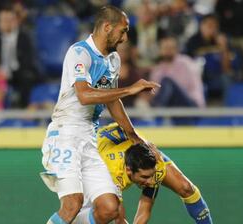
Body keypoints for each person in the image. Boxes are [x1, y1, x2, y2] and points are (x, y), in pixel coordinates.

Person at [40, 5, 160, 224]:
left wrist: (134, 136)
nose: (125, 38)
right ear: (107, 27)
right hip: (64, 135)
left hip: (88, 138)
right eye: (123, 31)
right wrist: (130, 88)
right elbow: (84, 95)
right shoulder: (79, 52)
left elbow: (111, 99)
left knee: (109, 208)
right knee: (73, 203)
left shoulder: (113, 60)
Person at [73, 123, 213, 224]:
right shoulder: (111, 174)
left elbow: (146, 207)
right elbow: (120, 220)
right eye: (145, 177)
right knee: (107, 212)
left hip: (134, 149)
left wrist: (149, 175)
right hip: (95, 154)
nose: (151, 181)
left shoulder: (155, 164)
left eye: (152, 175)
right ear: (129, 171)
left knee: (186, 187)